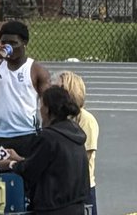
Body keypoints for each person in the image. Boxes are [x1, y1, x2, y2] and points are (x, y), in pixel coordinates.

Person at [0, 20, 52, 176]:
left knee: (26, 183)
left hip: (27, 136)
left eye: (13, 43)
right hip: (0, 137)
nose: (9, 47)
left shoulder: (36, 70)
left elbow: (49, 105)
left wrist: (46, 135)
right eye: (4, 43)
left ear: (24, 43)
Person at [0, 85, 89, 215]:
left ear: (47, 109)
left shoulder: (48, 137)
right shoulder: (75, 134)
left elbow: (30, 171)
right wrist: (20, 159)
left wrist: (10, 164)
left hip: (52, 209)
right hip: (77, 208)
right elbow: (53, 164)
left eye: (41, 105)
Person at [55, 72, 99, 215]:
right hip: (61, 189)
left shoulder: (86, 120)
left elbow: (84, 157)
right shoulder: (56, 119)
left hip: (81, 190)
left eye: (59, 88)